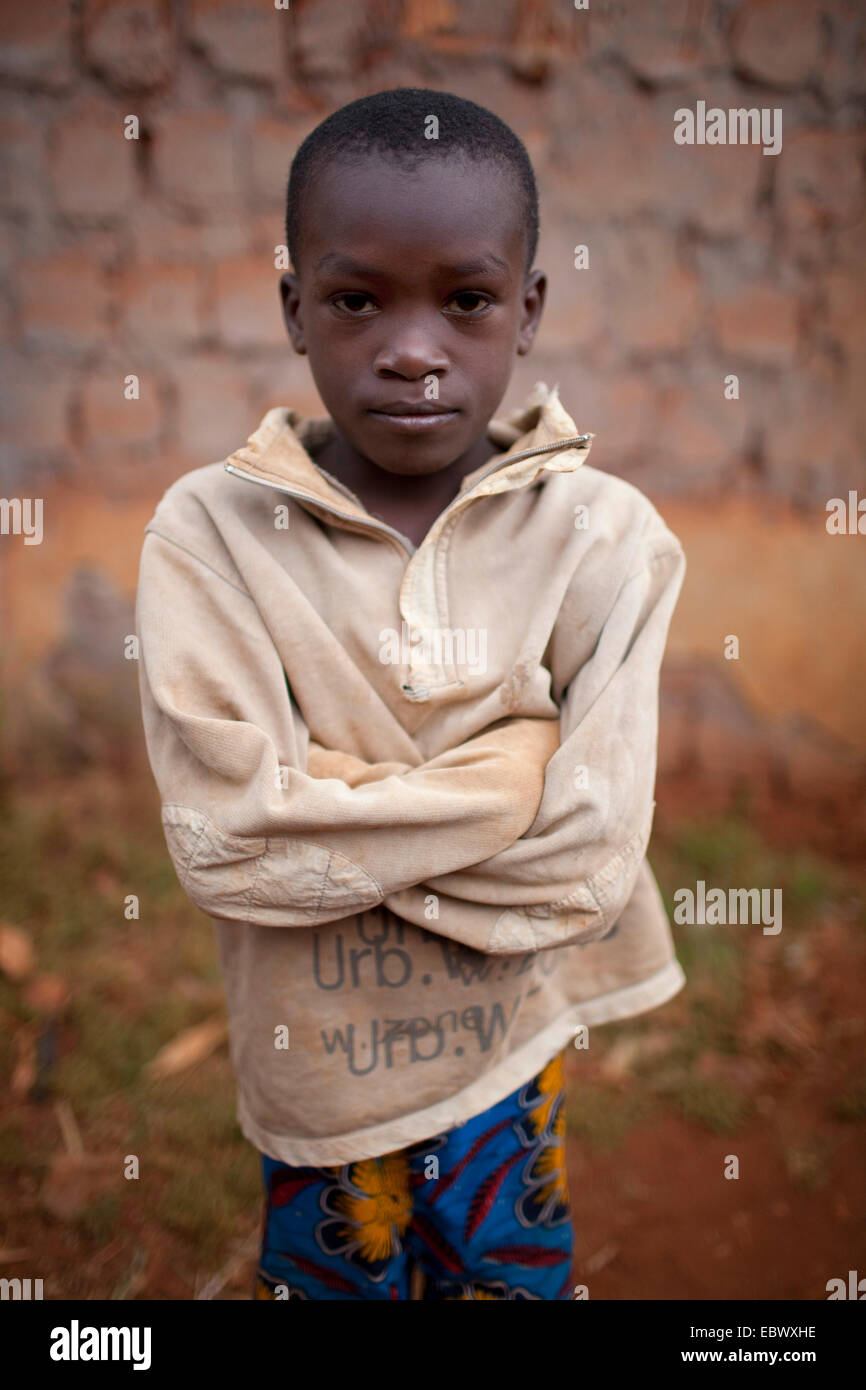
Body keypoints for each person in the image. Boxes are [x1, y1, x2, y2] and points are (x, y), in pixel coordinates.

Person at [136, 88, 686, 1301]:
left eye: (467, 299)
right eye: (354, 299)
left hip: (507, 1047)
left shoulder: (603, 538)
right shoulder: (211, 535)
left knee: (505, 1266)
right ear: (293, 308)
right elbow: (226, 842)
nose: (413, 347)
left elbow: (591, 859)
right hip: (321, 1077)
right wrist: (516, 765)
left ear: (527, 310)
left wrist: (327, 796)